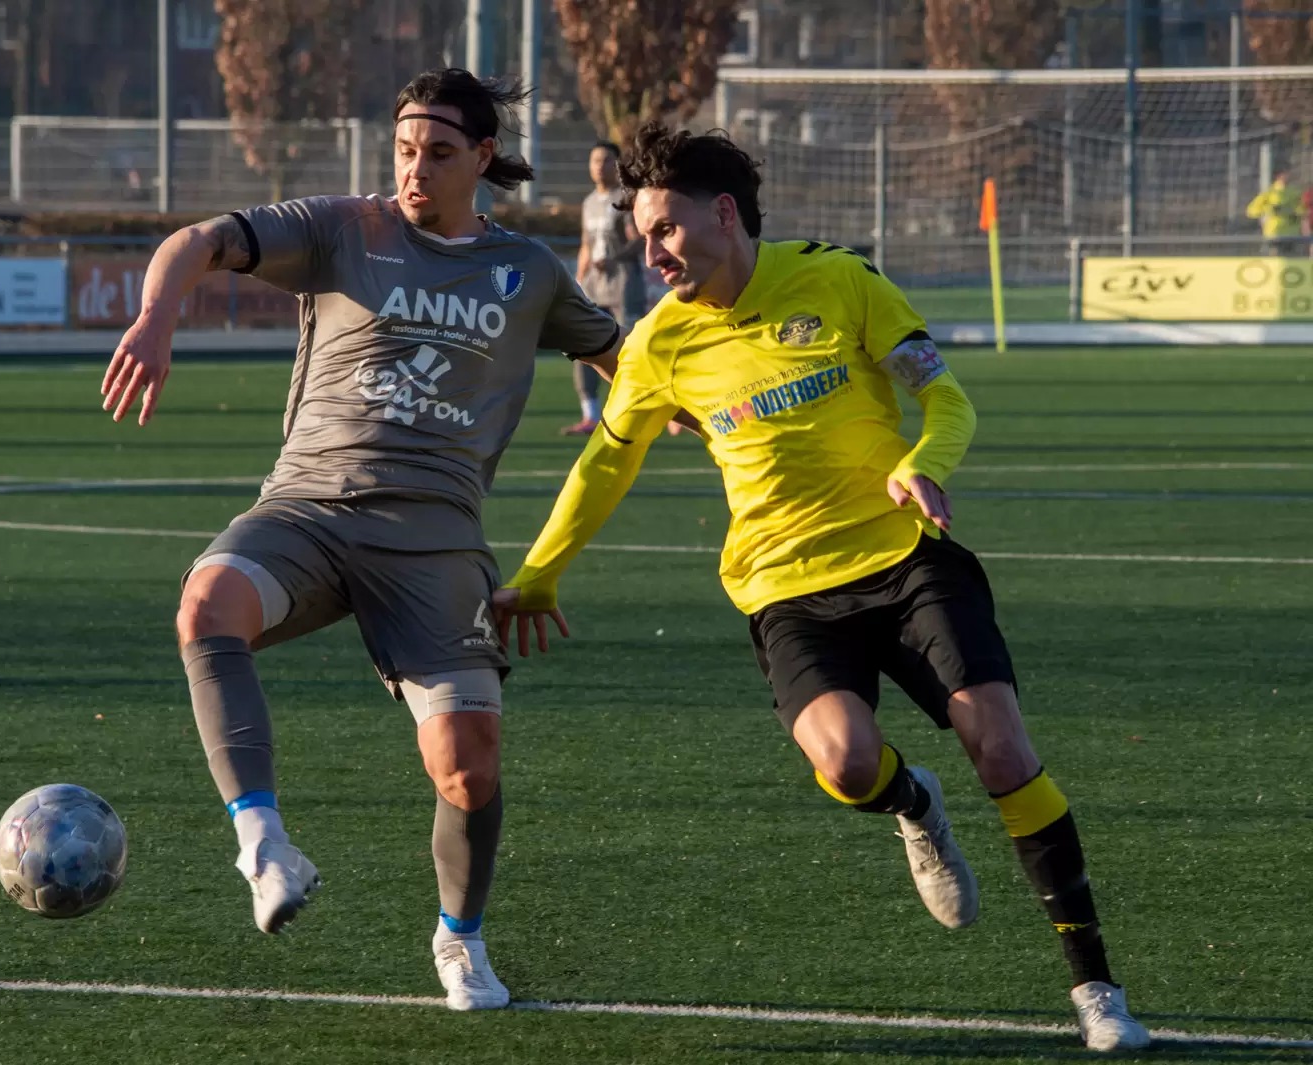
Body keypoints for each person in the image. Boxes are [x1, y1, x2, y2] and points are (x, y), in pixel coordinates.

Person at [492, 124, 1151, 1052]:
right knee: (845, 763)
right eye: (644, 235)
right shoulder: (658, 344)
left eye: (666, 230)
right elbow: (605, 466)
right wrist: (537, 573)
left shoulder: (842, 279)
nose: (651, 254)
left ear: (723, 215)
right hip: (785, 590)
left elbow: (948, 396)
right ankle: (914, 805)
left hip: (908, 560)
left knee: (1001, 747)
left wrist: (925, 462)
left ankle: (1098, 989)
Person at [98, 67, 621, 1011]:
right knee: (206, 604)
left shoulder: (530, 274)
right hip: (308, 507)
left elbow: (627, 358)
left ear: (484, 158)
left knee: (468, 763)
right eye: (406, 151)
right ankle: (264, 844)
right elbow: (199, 240)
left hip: (433, 541)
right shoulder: (343, 228)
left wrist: (717, 410)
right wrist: (157, 312)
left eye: (441, 154)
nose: (417, 170)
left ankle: (459, 940)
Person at [564, 141, 646, 436]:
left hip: (623, 284)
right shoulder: (588, 202)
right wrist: (578, 279)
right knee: (583, 347)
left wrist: (615, 258)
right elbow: (586, 244)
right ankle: (590, 415)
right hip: (593, 287)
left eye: (606, 160)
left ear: (617, 164)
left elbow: (639, 239)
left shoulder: (625, 198)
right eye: (595, 160)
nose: (599, 166)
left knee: (629, 351)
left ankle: (637, 410)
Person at [1246, 169, 1305, 256]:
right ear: (1277, 176)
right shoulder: (1269, 193)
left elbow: (1303, 210)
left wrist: (1292, 211)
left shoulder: (1295, 192)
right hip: (1274, 234)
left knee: (1292, 261)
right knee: (1275, 260)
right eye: (1283, 174)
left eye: (1287, 174)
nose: (1286, 176)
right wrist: (1268, 210)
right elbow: (1251, 211)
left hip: (1292, 235)